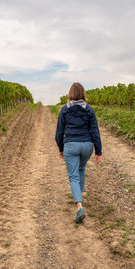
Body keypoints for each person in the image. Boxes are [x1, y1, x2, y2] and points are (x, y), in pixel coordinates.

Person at [55, 82, 102, 223]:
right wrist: (98, 151)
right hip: (87, 145)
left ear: (70, 94)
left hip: (70, 145)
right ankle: (80, 194)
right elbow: (95, 131)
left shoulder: (64, 110)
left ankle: (79, 207)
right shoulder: (89, 109)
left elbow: (59, 132)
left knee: (73, 176)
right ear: (83, 93)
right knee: (81, 168)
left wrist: (61, 148)